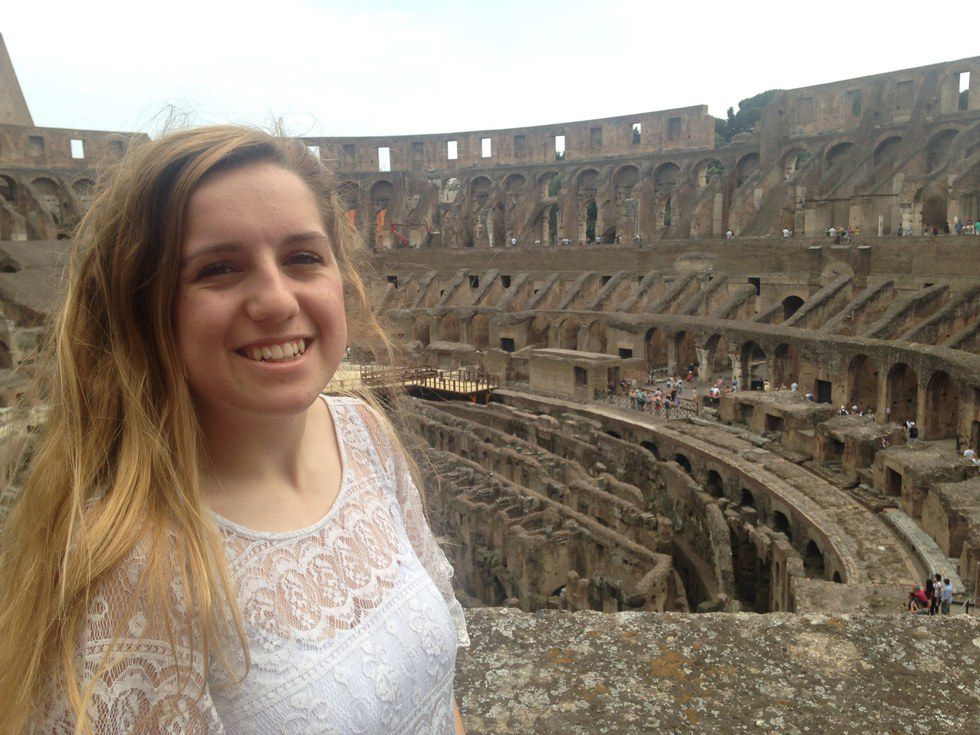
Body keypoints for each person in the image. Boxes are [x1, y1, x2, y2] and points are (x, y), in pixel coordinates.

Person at [0, 127, 469, 734]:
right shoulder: (132, 569)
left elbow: (441, 696)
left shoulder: (364, 433)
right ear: (147, 308)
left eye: (303, 257)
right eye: (218, 269)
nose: (276, 301)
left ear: (341, 274)